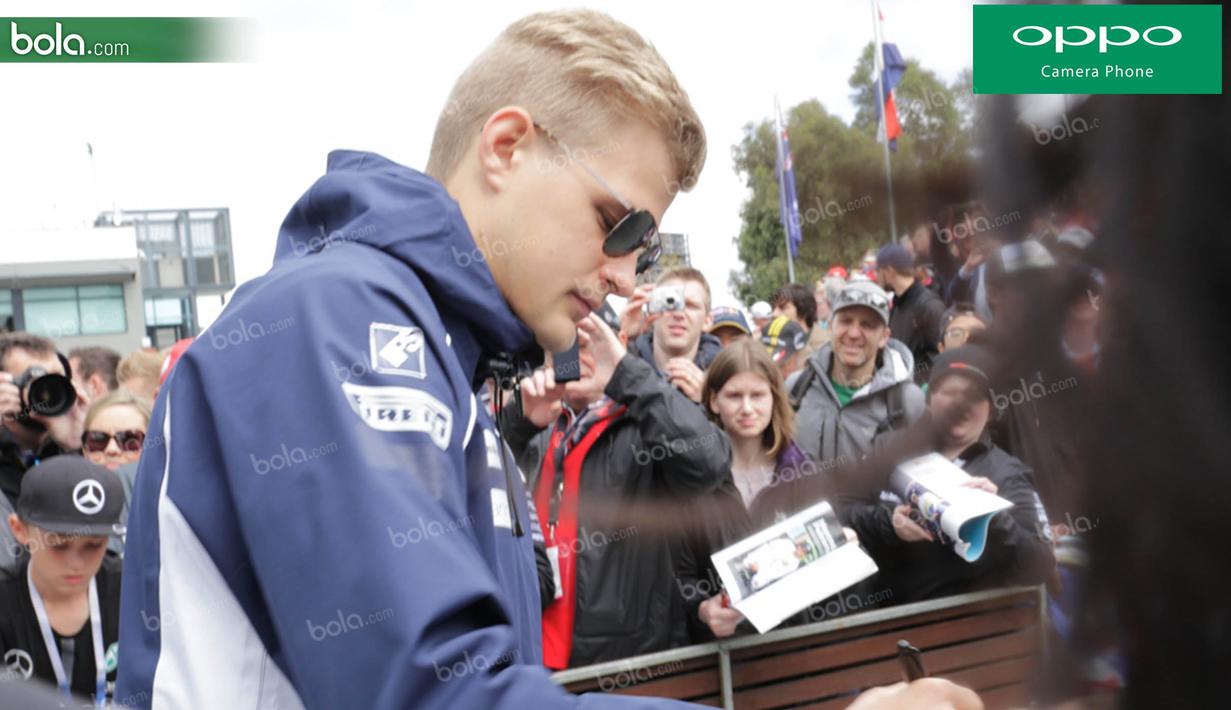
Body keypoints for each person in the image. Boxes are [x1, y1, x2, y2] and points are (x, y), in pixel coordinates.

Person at [115, 9, 723, 709]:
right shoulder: (338, 317)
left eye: (644, 249)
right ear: (504, 147)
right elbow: (431, 693)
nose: (624, 273)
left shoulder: (437, 350)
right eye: (618, 224)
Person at [502, 314, 730, 668]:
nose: (573, 361)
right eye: (558, 351)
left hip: (628, 662)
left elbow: (708, 464)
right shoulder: (538, 422)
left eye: (584, 347)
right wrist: (516, 425)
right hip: (535, 655)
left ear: (616, 346)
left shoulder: (646, 419)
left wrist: (627, 376)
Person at [840, 345, 1055, 605]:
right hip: (886, 622)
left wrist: (995, 519)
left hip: (971, 628)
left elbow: (1042, 564)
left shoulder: (1007, 472)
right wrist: (889, 524)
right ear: (929, 400)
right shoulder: (888, 449)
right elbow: (842, 513)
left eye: (974, 396)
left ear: (990, 409)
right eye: (951, 392)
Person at [676, 339, 857, 641]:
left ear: (774, 398)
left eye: (758, 395)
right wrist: (702, 608)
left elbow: (832, 587)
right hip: (719, 658)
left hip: (795, 651)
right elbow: (679, 576)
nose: (747, 408)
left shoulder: (803, 473)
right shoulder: (693, 481)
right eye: (734, 395)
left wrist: (845, 549)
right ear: (713, 400)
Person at [0, 456, 125, 705]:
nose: (76, 562)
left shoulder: (131, 592)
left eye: (93, 545)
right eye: (58, 544)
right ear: (19, 529)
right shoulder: (5, 600)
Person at [787, 281, 925, 466]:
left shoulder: (907, 401)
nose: (853, 333)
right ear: (830, 326)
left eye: (867, 325)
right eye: (846, 321)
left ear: (884, 337)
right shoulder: (796, 388)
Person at [622, 268, 720, 404]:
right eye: (670, 302)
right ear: (651, 311)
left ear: (707, 321)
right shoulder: (622, 364)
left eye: (691, 306)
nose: (679, 314)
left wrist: (709, 404)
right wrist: (620, 333)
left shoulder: (726, 380)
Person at [877, 243, 945, 380]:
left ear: (889, 271)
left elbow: (940, 358)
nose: (876, 275)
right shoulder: (897, 304)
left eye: (878, 270)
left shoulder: (929, 306)